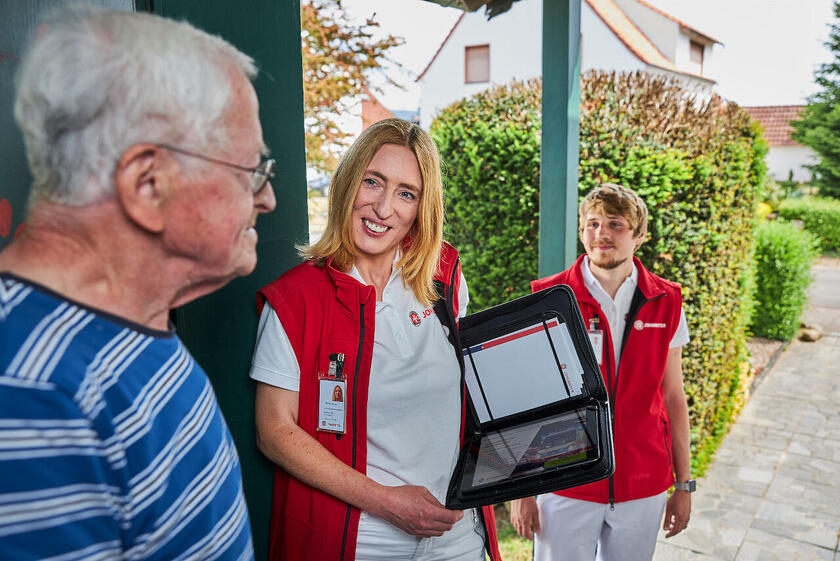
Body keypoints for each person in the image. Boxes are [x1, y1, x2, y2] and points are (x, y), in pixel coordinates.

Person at [0, 7, 276, 560]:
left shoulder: (132, 321)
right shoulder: (32, 400)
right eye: (253, 172)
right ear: (148, 185)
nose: (267, 199)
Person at [250, 118, 501, 561]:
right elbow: (274, 431)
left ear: (422, 208)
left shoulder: (443, 278)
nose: (384, 208)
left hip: (457, 535)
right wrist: (387, 502)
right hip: (361, 541)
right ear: (348, 184)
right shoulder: (293, 300)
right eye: (373, 182)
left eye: (407, 193)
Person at [510, 183, 693, 561]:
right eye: (592, 223)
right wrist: (523, 489)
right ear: (581, 232)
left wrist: (684, 485)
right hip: (566, 481)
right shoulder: (551, 296)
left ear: (640, 235)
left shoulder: (666, 301)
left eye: (615, 223)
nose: (601, 233)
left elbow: (674, 396)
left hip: (642, 484)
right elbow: (530, 397)